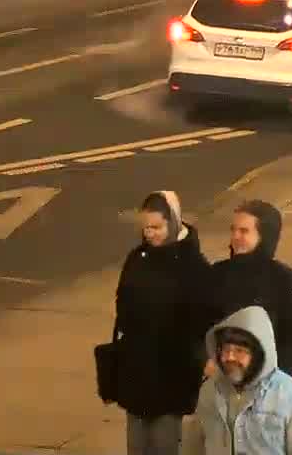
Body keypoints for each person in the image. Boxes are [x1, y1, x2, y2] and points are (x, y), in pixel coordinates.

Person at [105, 191, 210, 454]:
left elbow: (200, 323)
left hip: (171, 377)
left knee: (163, 446)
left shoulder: (193, 266)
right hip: (138, 372)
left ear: (172, 223)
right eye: (145, 228)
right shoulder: (137, 258)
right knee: (136, 447)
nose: (149, 234)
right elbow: (123, 307)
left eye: (156, 227)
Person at [184, 306, 292, 455]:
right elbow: (195, 445)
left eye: (239, 351)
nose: (229, 357)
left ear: (260, 354)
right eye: (225, 350)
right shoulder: (210, 390)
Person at [207, 201, 292, 376]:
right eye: (233, 230)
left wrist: (273, 378)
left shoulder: (287, 282)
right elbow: (195, 326)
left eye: (244, 231)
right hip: (218, 382)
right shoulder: (216, 274)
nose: (235, 236)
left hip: (267, 386)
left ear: (265, 235)